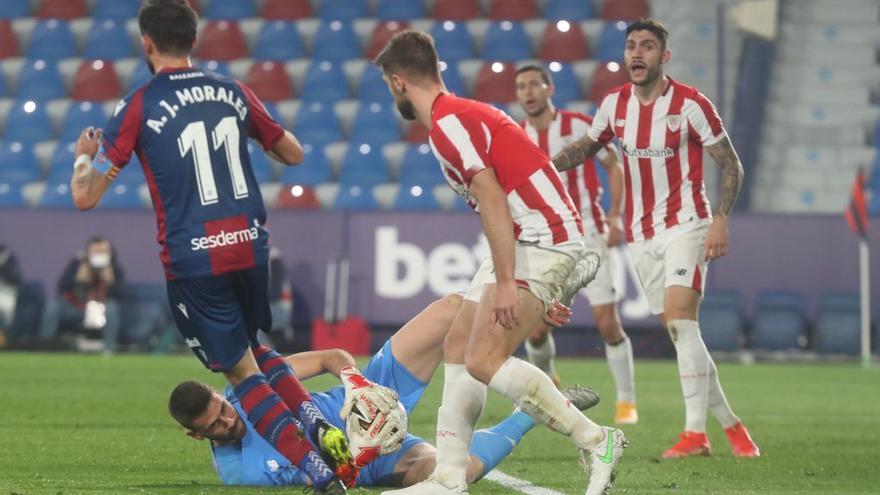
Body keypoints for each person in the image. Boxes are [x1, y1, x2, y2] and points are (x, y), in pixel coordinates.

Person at [67, 1, 360, 491]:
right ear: (193, 40)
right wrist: (258, 129)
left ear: (147, 43)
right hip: (250, 246)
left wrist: (83, 158)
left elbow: (85, 196)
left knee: (242, 375)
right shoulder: (233, 91)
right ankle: (316, 423)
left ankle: (318, 474)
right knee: (254, 349)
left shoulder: (139, 104)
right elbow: (292, 152)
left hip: (195, 258)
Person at [373, 30, 626, 495]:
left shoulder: (448, 123)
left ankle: (597, 440)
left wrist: (510, 282)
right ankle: (449, 477)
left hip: (540, 235)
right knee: (457, 344)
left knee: (484, 358)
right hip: (529, 235)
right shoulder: (456, 117)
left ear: (397, 82)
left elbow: (489, 194)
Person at [550, 18, 760, 459]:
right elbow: (586, 148)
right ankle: (733, 427)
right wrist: (546, 166)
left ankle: (695, 436)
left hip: (688, 222)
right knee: (682, 334)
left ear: (664, 56)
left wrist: (721, 219)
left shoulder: (690, 104)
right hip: (641, 235)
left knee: (683, 322)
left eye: (647, 46)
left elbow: (731, 164)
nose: (637, 54)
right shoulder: (614, 105)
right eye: (631, 46)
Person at [169, 295, 600, 488]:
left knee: (451, 309)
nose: (230, 419)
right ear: (197, 436)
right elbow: (323, 476)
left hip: (377, 389)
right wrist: (363, 450)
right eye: (217, 425)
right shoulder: (238, 474)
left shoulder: (247, 387)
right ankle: (530, 414)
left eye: (224, 407)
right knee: (454, 473)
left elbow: (329, 357)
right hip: (371, 458)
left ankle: (535, 309)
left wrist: (355, 384)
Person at [515, 64, 639, 424]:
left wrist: (616, 215)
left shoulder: (581, 125)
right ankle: (548, 384)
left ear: (549, 89)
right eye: (521, 87)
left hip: (591, 236)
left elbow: (615, 167)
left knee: (607, 321)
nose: (528, 92)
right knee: (535, 329)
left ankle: (627, 403)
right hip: (546, 240)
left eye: (534, 85)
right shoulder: (517, 134)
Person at [38, 236, 125, 353]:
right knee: (53, 307)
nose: (99, 256)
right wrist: (77, 280)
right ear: (87, 253)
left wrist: (110, 282)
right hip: (79, 308)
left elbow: (121, 295)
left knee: (112, 309)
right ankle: (46, 347)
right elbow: (61, 288)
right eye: (96, 252)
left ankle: (109, 350)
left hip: (102, 309)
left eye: (103, 252)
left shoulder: (115, 268)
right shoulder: (77, 265)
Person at [0, 244, 23, 346]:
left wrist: (2, 265)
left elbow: (15, 278)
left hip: (8, 296)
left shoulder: (10, 261)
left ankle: (6, 342)